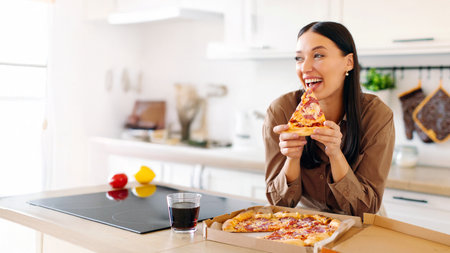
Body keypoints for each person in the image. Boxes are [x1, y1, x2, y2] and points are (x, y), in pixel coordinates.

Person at [263, 21, 395, 218]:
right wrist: (292, 157)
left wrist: (335, 154)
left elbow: (366, 209)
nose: (305, 67)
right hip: (304, 223)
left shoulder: (376, 115)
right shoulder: (281, 111)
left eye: (318, 55)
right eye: (299, 58)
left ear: (348, 62)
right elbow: (279, 204)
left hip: (360, 225)